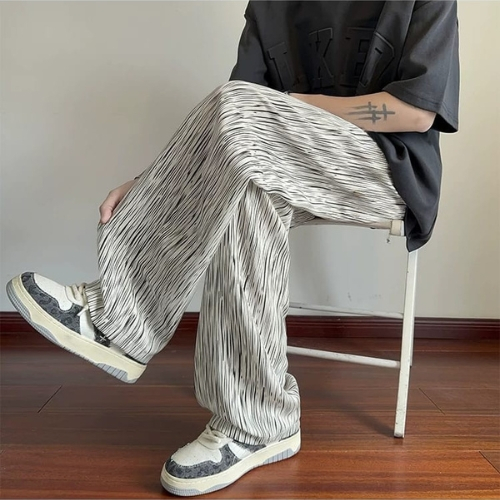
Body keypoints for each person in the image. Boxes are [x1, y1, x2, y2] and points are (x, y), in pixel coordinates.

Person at [6, 1, 459, 496]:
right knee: (244, 189)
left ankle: (117, 317)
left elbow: (417, 113)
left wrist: (293, 104)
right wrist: (147, 179)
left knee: (238, 109)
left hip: (386, 169)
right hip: (278, 157)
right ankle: (256, 422)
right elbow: (227, 133)